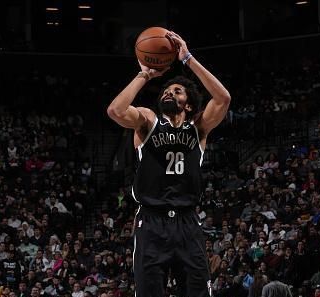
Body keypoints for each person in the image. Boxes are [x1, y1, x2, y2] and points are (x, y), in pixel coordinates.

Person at [107, 31, 231, 297]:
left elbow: (223, 99)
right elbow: (116, 110)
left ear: (188, 105)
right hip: (152, 222)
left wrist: (187, 58)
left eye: (177, 91)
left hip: (187, 222)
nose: (169, 93)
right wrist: (144, 75)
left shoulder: (197, 128)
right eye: (166, 90)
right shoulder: (149, 121)